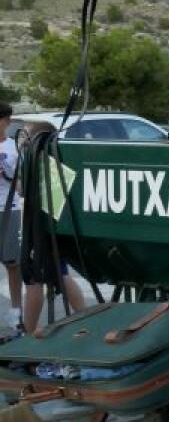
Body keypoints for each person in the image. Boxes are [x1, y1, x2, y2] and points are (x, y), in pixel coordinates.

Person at [17, 120, 86, 332]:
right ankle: (86, 318)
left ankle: (29, 332)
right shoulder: (54, 163)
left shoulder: (44, 165)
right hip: (46, 232)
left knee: (34, 281)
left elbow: (24, 192)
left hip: (41, 234)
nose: (20, 142)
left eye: (24, 138)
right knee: (60, 276)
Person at [0, 103, 21, 330]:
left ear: (5, 121)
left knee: (12, 263)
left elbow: (22, 186)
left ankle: (17, 311)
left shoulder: (14, 147)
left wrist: (6, 173)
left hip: (9, 209)